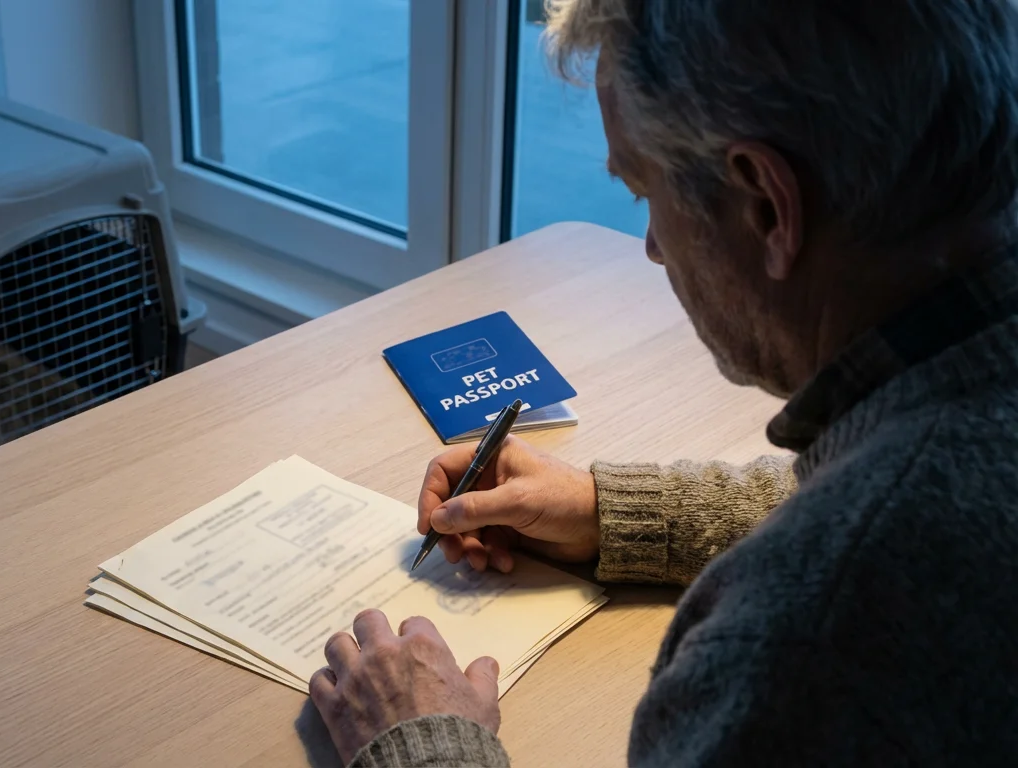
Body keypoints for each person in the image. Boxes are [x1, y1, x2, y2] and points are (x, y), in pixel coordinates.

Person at [309, 0, 1018, 765]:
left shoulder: (805, 653)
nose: (652, 248)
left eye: (645, 191)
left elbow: (868, 550)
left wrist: (418, 743)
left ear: (766, 205)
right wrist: (611, 513)